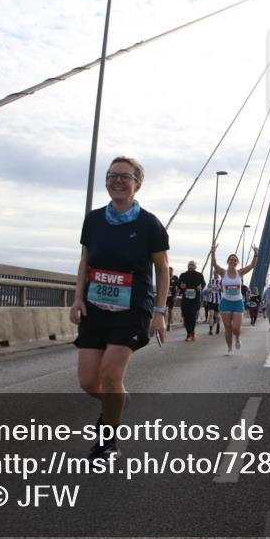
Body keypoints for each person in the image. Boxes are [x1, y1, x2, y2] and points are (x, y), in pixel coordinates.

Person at [69, 156, 168, 460]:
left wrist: (159, 313)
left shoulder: (149, 223)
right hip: (95, 308)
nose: (118, 181)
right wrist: (77, 298)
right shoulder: (94, 219)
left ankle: (108, 440)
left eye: (126, 177)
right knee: (88, 381)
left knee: (112, 375)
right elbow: (86, 260)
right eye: (112, 176)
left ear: (138, 183)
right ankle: (117, 402)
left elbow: (163, 269)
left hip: (132, 309)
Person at [210, 244, 258, 356]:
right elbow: (214, 265)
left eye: (235, 260)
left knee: (236, 328)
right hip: (225, 303)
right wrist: (213, 252)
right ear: (228, 261)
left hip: (237, 303)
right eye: (231, 259)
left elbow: (252, 266)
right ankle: (229, 349)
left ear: (237, 263)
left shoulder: (239, 273)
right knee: (228, 328)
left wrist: (255, 254)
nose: (233, 261)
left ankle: (237, 337)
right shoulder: (223, 272)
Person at [178, 260, 206, 342]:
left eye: (192, 265)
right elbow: (179, 284)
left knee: (192, 315)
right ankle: (189, 333)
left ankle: (191, 333)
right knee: (186, 316)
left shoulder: (199, 275)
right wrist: (181, 286)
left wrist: (200, 287)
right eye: (190, 265)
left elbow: (203, 284)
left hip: (195, 299)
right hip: (186, 299)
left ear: (195, 267)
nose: (191, 266)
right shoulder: (183, 275)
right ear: (187, 266)